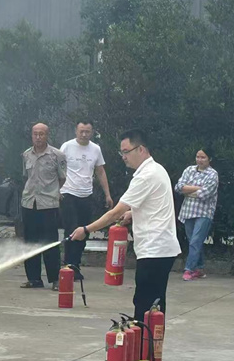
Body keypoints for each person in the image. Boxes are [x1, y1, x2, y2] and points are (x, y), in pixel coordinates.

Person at [70, 129, 180, 322]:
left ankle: (144, 340)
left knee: (145, 305)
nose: (123, 157)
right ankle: (150, 339)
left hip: (154, 250)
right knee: (155, 305)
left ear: (141, 149)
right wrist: (132, 214)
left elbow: (115, 213)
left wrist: (86, 229)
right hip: (161, 248)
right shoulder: (157, 169)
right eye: (121, 152)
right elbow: (153, 205)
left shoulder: (145, 176)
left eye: (126, 151)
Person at [59, 122, 113, 278]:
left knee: (84, 231)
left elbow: (100, 171)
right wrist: (56, 190)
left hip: (86, 194)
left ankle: (75, 264)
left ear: (92, 132)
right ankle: (69, 265)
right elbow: (58, 169)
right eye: (81, 131)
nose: (84, 134)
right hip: (68, 192)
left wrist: (107, 194)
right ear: (76, 131)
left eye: (87, 131)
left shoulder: (95, 149)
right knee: (71, 229)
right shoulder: (67, 146)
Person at [20, 122, 67, 290]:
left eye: (41, 134)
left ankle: (55, 279)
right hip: (29, 203)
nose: (38, 137)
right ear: (32, 135)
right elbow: (26, 176)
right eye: (35, 134)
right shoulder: (26, 154)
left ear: (47, 136)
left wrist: (52, 192)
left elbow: (62, 178)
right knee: (30, 242)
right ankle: (34, 279)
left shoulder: (57, 155)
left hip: (48, 205)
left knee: (50, 243)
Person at [175, 149, 219, 281]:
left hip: (204, 212)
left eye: (203, 157)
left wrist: (188, 190)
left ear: (209, 159)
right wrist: (198, 188)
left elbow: (205, 194)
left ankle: (189, 269)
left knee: (195, 241)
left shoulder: (213, 174)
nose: (200, 160)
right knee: (193, 241)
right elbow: (178, 187)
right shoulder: (189, 170)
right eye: (198, 157)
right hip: (188, 211)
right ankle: (199, 268)